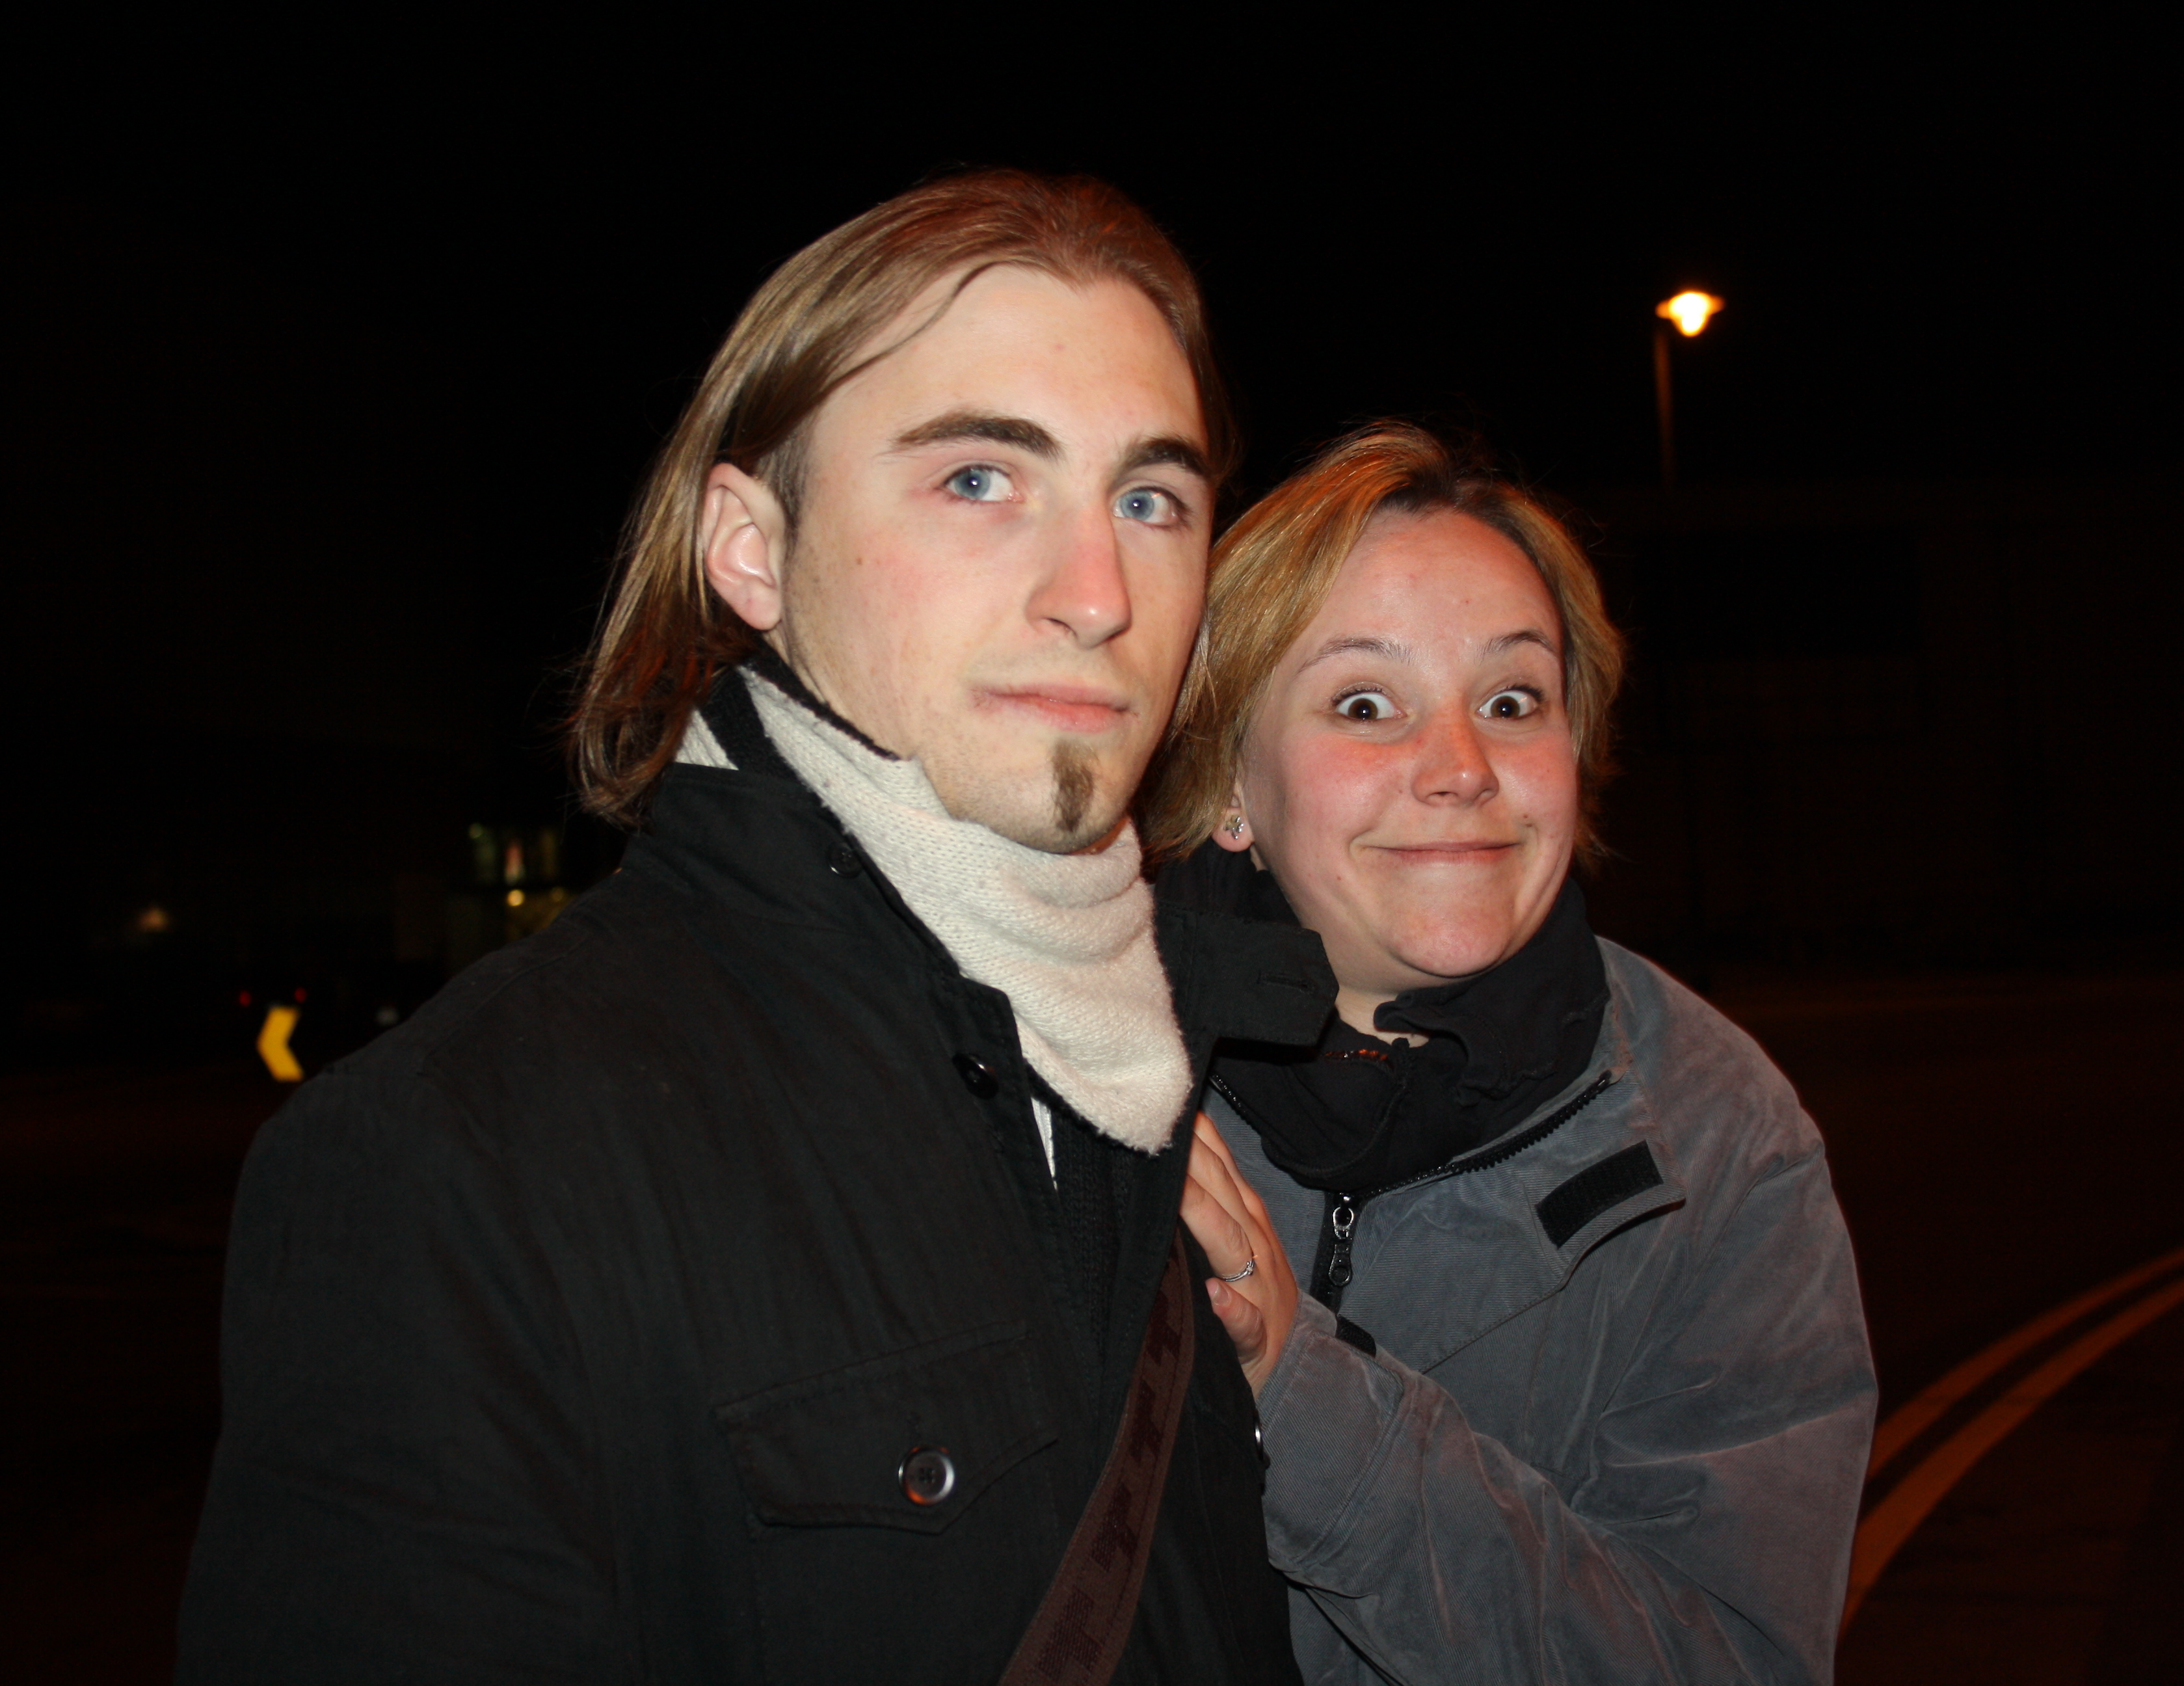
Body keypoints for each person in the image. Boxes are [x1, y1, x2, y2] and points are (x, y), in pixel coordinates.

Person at [177, 170, 1333, 1685]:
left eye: (1150, 499)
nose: (1099, 592)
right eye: (979, 479)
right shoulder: (461, 1156)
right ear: (750, 547)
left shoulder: (1175, 1064)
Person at [1154, 422, 1877, 1684]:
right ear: (1229, 784)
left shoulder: (1715, 1136)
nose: (1462, 769)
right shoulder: (1072, 1087)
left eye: (1511, 701)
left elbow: (1732, 1660)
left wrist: (1301, 1395)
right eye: (1365, 704)